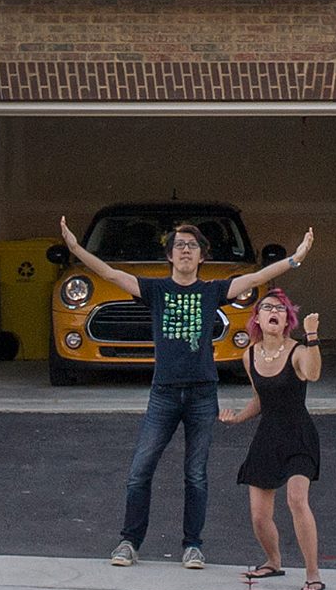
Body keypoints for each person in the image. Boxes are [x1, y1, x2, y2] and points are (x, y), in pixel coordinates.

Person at [57, 214, 314, 570]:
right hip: (163, 393)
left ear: (202, 256)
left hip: (202, 395)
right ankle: (129, 541)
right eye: (179, 246)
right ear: (170, 255)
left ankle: (192, 545)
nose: (186, 251)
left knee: (195, 473)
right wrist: (75, 248)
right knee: (140, 469)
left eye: (192, 246)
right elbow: (111, 274)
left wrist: (295, 257)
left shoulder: (211, 291)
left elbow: (255, 278)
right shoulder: (156, 290)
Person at [220, 289, 325, 590]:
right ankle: (273, 561)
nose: (273, 312)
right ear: (258, 319)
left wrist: (313, 336)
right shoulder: (249, 355)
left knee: (296, 499)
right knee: (259, 516)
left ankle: (313, 573)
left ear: (287, 319)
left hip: (299, 434)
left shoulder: (298, 351)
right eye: (266, 308)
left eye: (280, 309)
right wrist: (239, 417)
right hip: (268, 435)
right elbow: (260, 398)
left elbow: (314, 373)